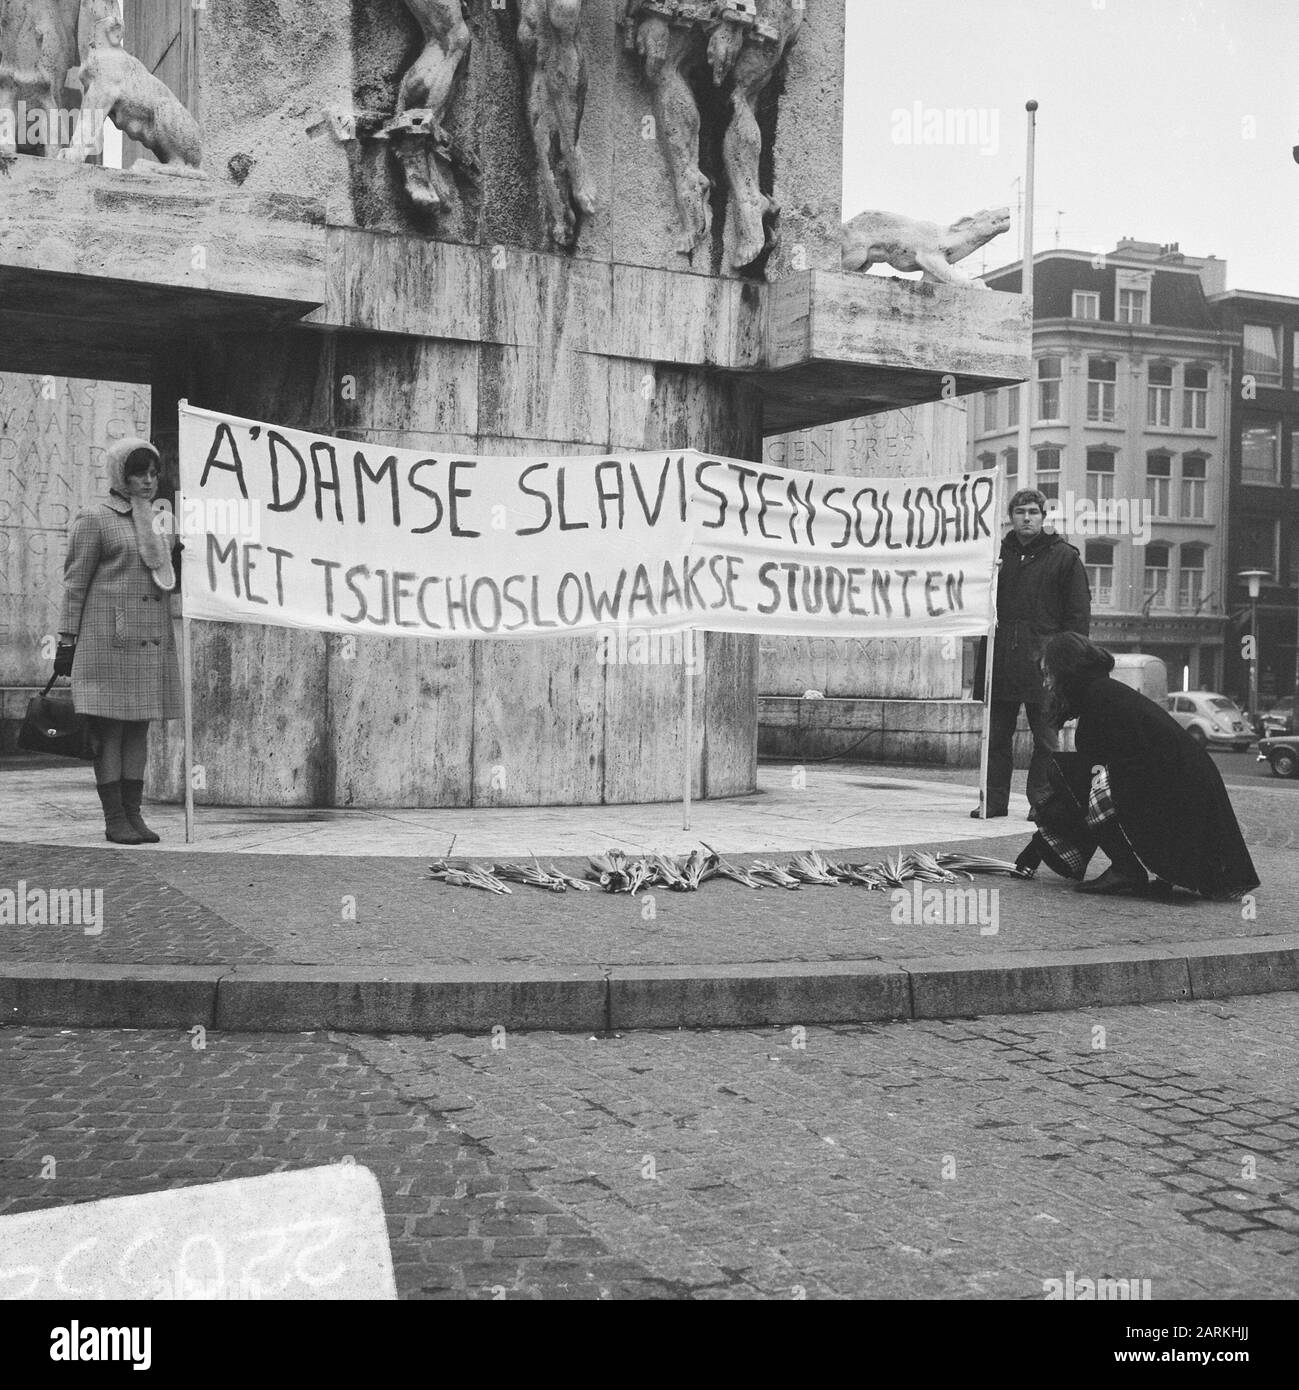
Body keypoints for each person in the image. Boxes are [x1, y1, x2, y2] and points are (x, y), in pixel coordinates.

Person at [1015, 633, 1259, 899]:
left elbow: (1083, 789)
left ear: (1065, 671)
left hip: (1182, 791)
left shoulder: (1099, 698)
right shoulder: (1102, 691)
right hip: (1186, 788)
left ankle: (1126, 869)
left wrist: (1040, 841)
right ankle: (1141, 869)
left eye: (1048, 674)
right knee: (1087, 776)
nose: (1046, 683)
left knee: (1069, 773)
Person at [57, 438, 181, 845]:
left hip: (150, 640)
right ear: (120, 476)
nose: (148, 481)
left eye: (153, 473)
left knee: (138, 729)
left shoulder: (159, 521)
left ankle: (134, 815)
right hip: (108, 641)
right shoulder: (95, 517)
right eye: (139, 473)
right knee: (109, 730)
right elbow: (75, 583)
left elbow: (163, 577)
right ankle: (114, 818)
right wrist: (66, 641)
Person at [972, 488, 1090, 820]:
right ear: (1011, 517)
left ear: (1043, 517)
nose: (1026, 517)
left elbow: (1078, 618)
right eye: (1020, 511)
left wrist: (1068, 666)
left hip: (1045, 666)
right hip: (1001, 661)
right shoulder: (995, 555)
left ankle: (1041, 801)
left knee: (1046, 742)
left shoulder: (1065, 557)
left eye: (1033, 512)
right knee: (995, 739)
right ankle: (994, 801)